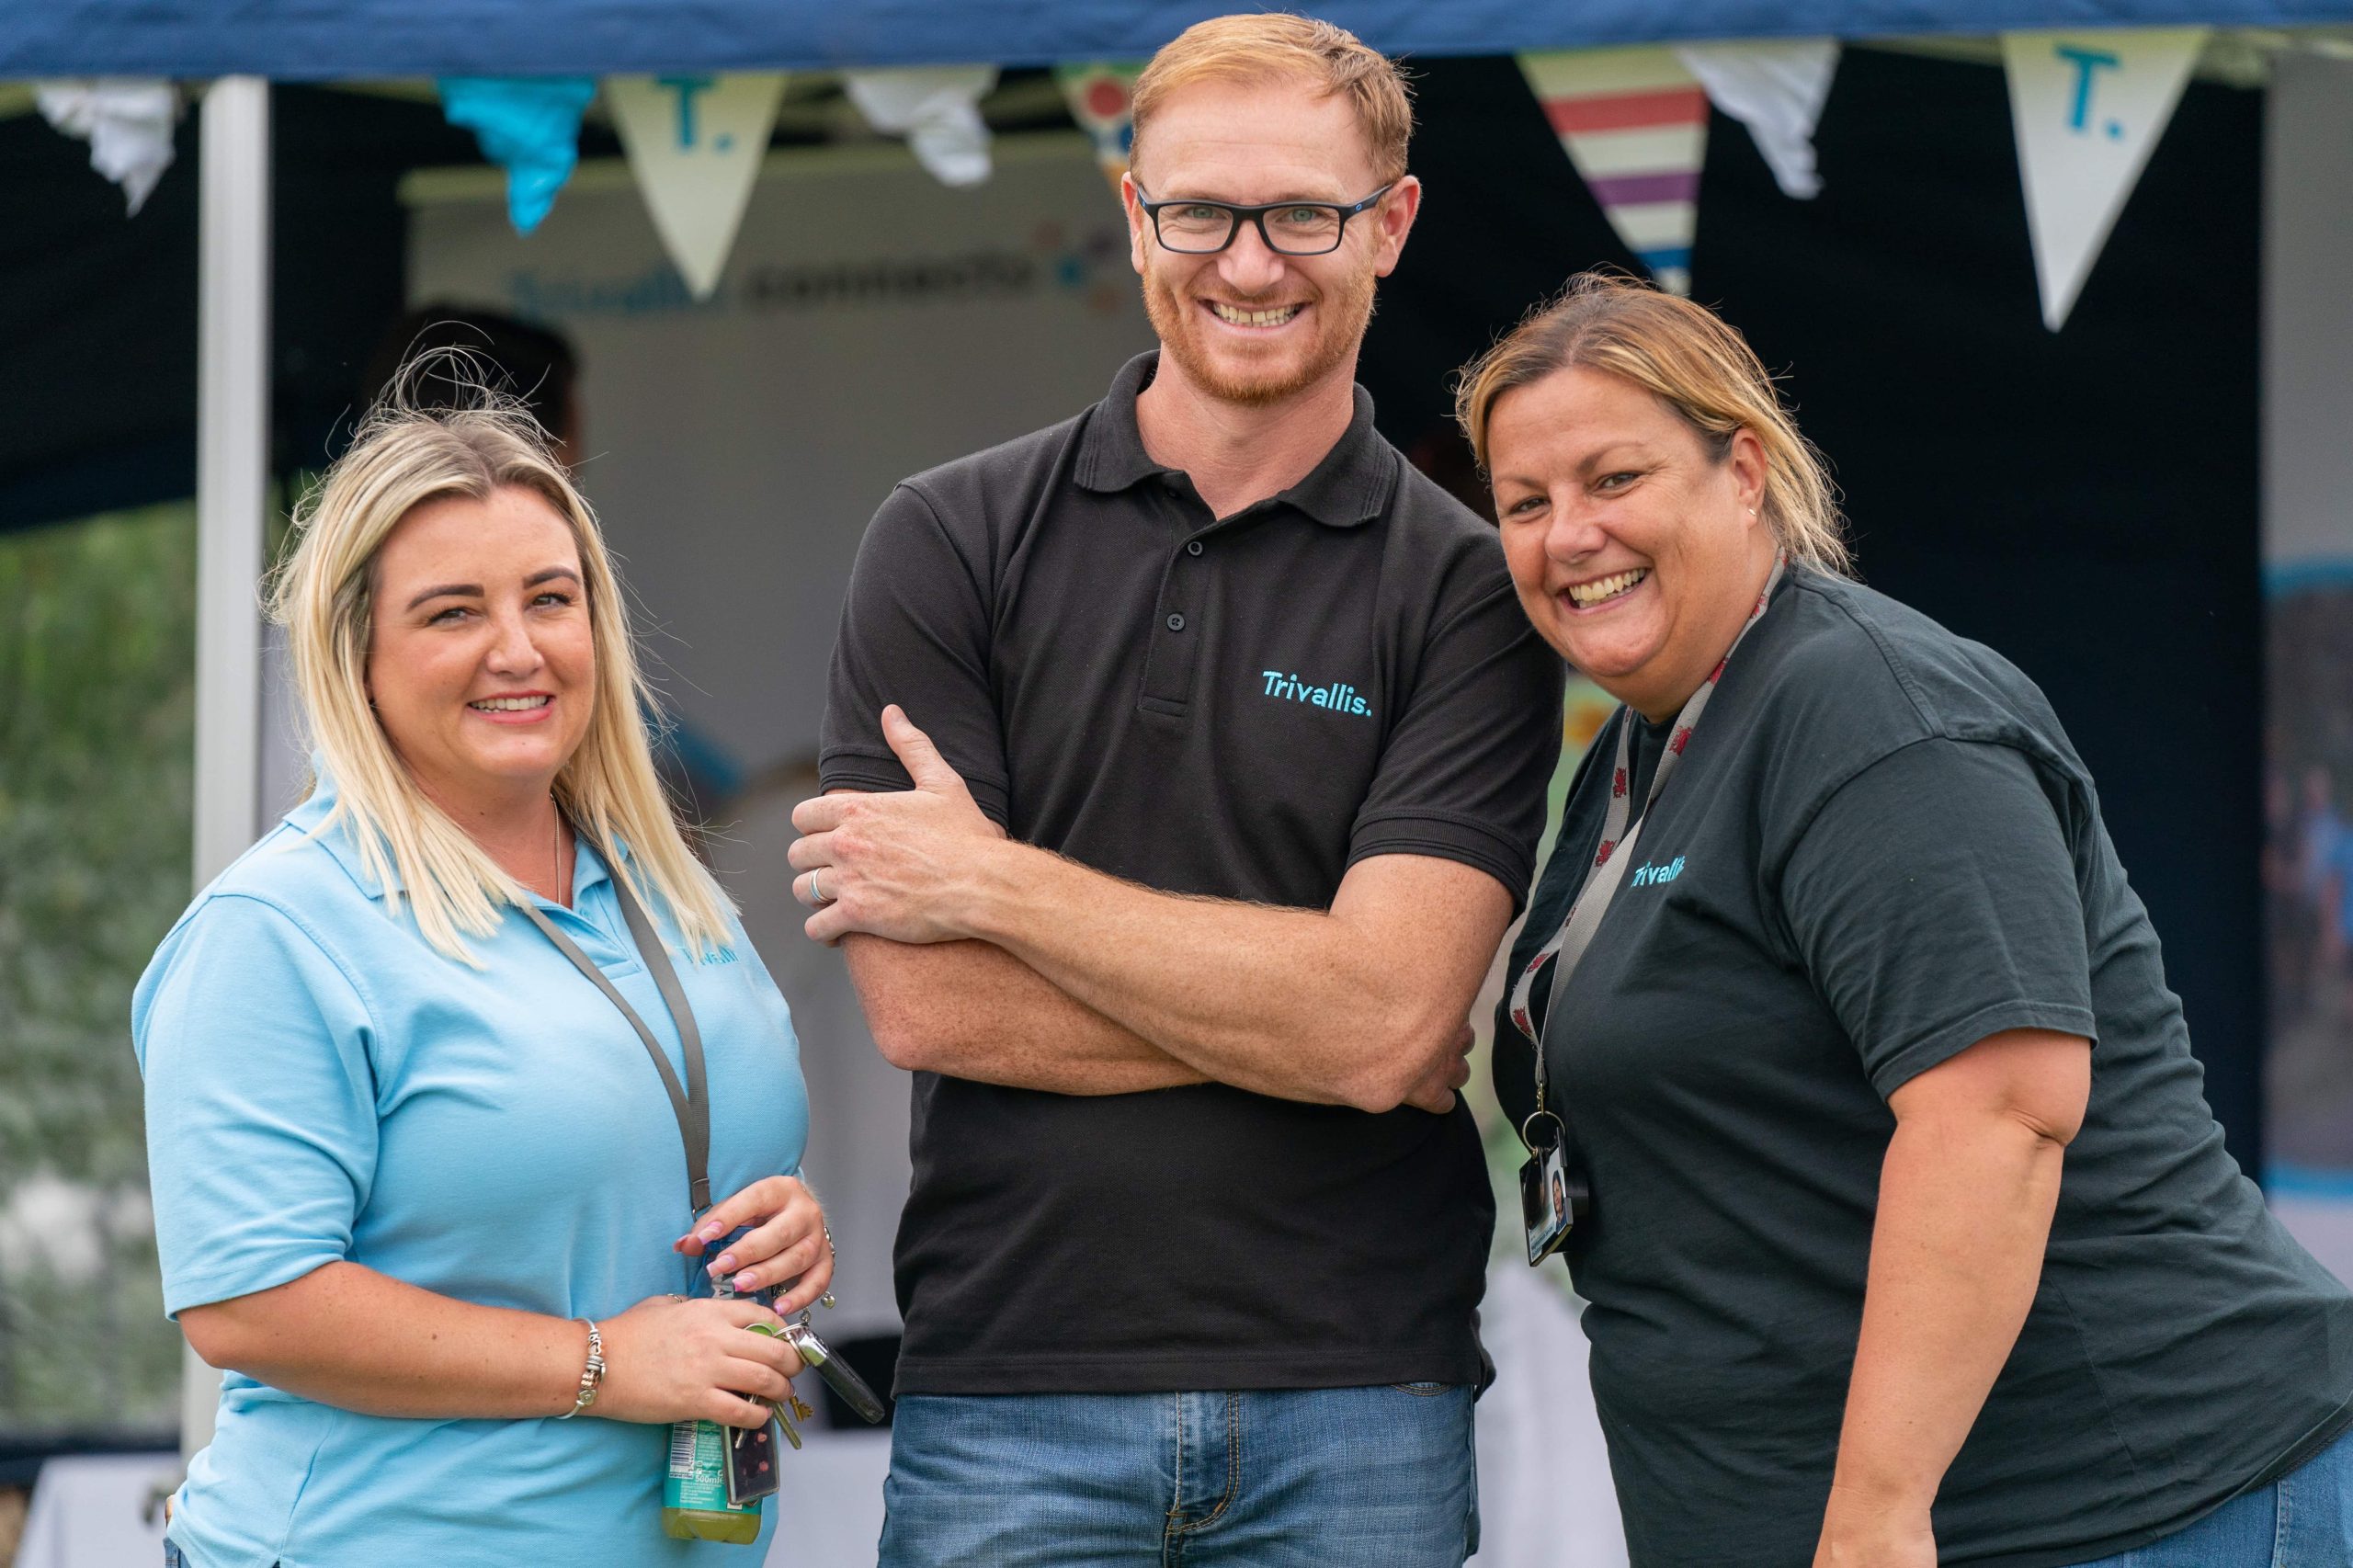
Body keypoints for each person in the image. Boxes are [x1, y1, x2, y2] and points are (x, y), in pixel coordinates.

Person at [791, 14, 1563, 1564]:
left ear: (1391, 226)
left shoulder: (1471, 595)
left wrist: (996, 887)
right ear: (1135, 208)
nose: (1252, 261)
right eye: (1201, 210)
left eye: (1305, 215)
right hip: (1011, 1383)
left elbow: (1392, 1027)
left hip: (1356, 1394)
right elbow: (928, 1010)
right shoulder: (947, 541)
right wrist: (1320, 1009)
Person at [1461, 271, 2353, 1567]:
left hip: (2119, 1508)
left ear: (1746, 471)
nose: (1568, 535)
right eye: (1524, 504)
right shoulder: (1645, 750)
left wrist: (1877, 1514)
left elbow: (1997, 1115)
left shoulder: (1867, 707)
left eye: (1614, 479)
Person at [134, 382, 833, 1565]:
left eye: (550, 600)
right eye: (452, 612)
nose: (518, 649)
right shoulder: (276, 928)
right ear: (355, 650)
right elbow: (248, 1302)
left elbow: (638, 1156)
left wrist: (785, 1223)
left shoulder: (667, 884)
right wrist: (606, 1361)